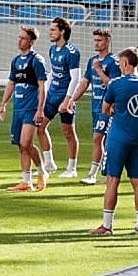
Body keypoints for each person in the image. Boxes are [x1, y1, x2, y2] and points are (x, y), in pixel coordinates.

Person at [92, 47, 138, 236]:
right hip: (137, 140)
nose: (119, 66)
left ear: (126, 63)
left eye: (120, 63)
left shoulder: (115, 84)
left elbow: (105, 108)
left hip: (118, 139)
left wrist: (114, 110)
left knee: (112, 180)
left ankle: (108, 225)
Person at [62, 28, 120, 186]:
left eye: (99, 40)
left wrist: (100, 71)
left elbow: (113, 85)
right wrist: (73, 99)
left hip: (108, 108)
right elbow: (85, 82)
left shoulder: (114, 62)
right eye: (95, 40)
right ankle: (110, 173)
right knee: (105, 141)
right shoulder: (92, 60)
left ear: (108, 41)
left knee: (98, 138)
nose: (96, 43)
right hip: (95, 107)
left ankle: (92, 174)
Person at [0, 26, 49, 193]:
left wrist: (40, 110)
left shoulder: (37, 61)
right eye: (19, 37)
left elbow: (42, 87)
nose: (19, 40)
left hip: (31, 109)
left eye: (23, 38)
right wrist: (3, 104)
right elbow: (11, 84)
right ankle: (26, 181)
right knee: (22, 147)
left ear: (31, 41)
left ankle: (42, 171)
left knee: (26, 143)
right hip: (18, 109)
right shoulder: (16, 61)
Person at [39, 17, 82, 179]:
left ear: (62, 31)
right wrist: (45, 93)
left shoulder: (72, 52)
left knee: (68, 132)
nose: (50, 32)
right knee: (40, 126)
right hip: (52, 95)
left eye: (53, 30)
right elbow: (52, 73)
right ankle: (49, 163)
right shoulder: (52, 49)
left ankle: (72, 168)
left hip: (65, 97)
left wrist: (68, 100)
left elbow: (75, 78)